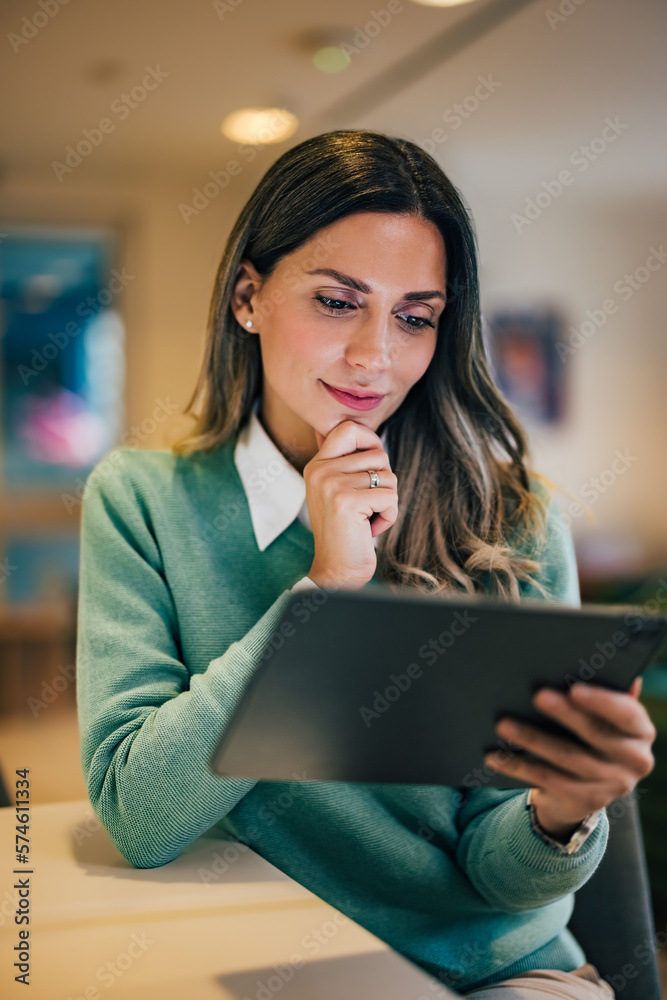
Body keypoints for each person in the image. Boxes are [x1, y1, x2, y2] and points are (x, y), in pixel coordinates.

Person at [76, 129, 656, 998]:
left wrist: (561, 815)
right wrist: (323, 590)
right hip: (264, 968)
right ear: (248, 296)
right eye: (338, 302)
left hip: (487, 977)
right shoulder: (142, 501)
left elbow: (497, 875)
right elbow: (139, 819)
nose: (375, 356)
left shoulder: (514, 519)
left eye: (415, 317)